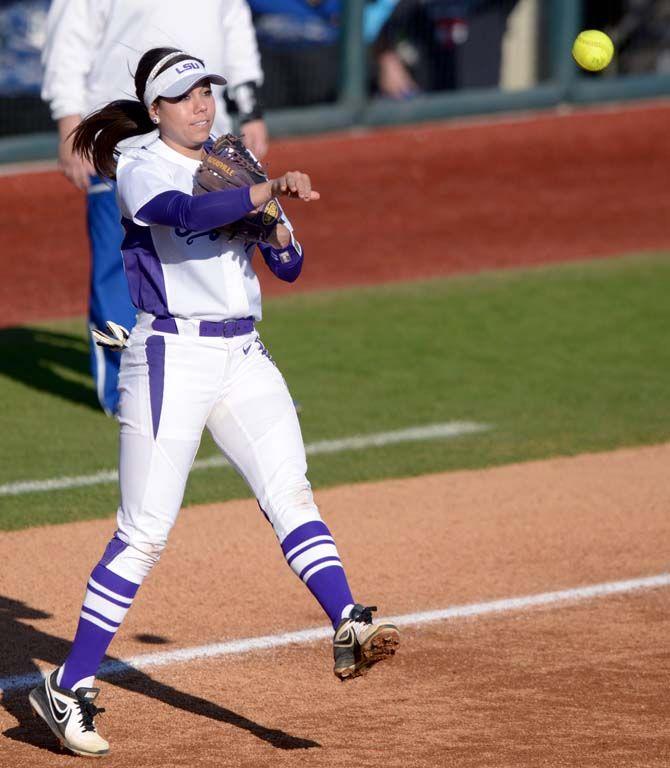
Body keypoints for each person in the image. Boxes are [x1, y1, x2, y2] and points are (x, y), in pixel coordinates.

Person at [28, 46, 400, 758]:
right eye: (185, 95)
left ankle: (348, 619)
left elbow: (289, 268)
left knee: (290, 492)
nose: (201, 104)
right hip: (171, 357)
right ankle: (68, 685)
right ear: (155, 107)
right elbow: (181, 214)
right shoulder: (141, 164)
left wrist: (278, 225)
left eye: (207, 90)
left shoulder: (232, 160)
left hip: (243, 355)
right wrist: (260, 196)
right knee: (143, 533)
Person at [41, 0, 269, 416]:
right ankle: (125, 392)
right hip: (120, 140)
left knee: (218, 260)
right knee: (120, 269)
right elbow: (68, 41)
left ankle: (235, 388)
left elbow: (234, 25)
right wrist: (69, 124)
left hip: (207, 141)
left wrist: (249, 107)